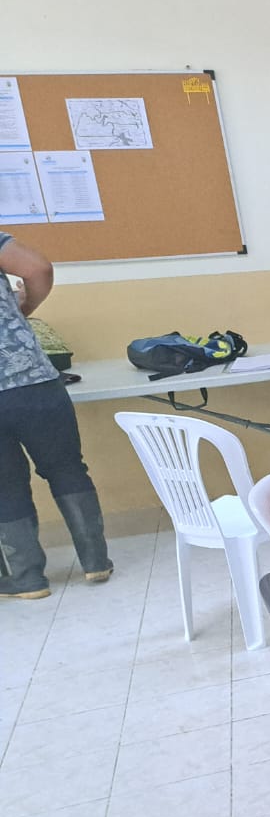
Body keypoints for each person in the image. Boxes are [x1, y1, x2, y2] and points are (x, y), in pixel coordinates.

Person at [0, 234, 112, 599]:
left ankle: (27, 580)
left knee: (5, 485)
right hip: (32, 380)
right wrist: (21, 306)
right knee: (66, 468)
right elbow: (38, 268)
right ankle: (96, 562)